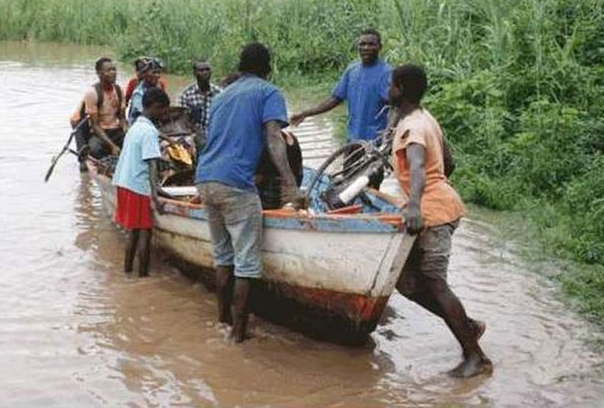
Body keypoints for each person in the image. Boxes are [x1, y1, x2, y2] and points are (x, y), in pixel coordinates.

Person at [390, 63, 492, 378]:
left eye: (391, 85)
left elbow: (419, 166)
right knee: (405, 282)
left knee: (435, 282)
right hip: (438, 205)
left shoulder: (414, 129)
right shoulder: (424, 118)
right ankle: (468, 326)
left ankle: (476, 358)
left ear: (400, 90)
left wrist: (417, 204)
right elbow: (449, 161)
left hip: (432, 213)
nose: (388, 90)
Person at [196, 42, 303, 343]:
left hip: (205, 179)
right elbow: (274, 137)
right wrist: (290, 183)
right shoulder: (268, 92)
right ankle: (237, 336)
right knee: (246, 262)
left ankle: (222, 321)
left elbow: (213, 139)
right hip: (235, 184)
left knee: (222, 257)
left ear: (240, 66)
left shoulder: (221, 96)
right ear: (268, 68)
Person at [291, 28, 392, 187]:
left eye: (371, 44)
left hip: (374, 145)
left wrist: (388, 138)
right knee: (346, 184)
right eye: (362, 44)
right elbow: (335, 99)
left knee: (370, 187)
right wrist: (306, 113)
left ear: (380, 46)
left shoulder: (386, 73)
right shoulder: (352, 70)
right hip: (352, 141)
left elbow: (395, 106)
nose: (365, 48)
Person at [112, 87, 170, 277]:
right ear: (155, 107)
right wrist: (155, 195)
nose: (164, 115)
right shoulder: (149, 131)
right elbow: (151, 164)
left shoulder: (135, 126)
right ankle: (143, 276)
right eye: (163, 110)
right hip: (137, 187)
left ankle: (127, 271)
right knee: (145, 233)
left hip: (124, 183)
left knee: (133, 233)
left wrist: (157, 190)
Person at [70, 57, 126, 172]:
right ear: (99, 74)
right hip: (95, 129)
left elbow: (122, 118)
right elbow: (95, 126)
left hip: (113, 129)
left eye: (114, 69)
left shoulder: (119, 90)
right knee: (94, 150)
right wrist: (112, 146)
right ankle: (84, 161)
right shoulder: (92, 93)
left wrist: (127, 130)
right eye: (108, 70)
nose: (113, 73)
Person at [177, 60, 222, 141]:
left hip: (216, 134)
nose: (205, 72)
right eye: (201, 70)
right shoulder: (187, 94)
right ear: (194, 73)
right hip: (195, 136)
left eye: (207, 69)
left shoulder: (220, 93)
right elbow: (183, 120)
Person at [127, 58, 164, 124]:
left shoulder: (160, 86)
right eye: (154, 72)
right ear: (145, 74)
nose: (157, 76)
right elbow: (143, 116)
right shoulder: (139, 93)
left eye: (159, 72)